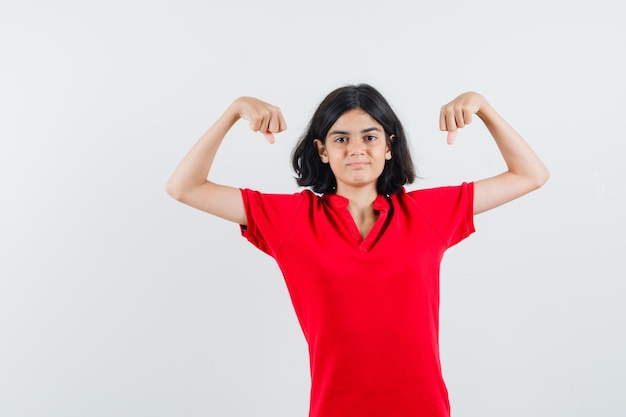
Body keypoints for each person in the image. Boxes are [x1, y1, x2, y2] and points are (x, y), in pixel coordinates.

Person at [165, 84, 549, 417]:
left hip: (423, 408)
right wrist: (234, 110)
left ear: (388, 147)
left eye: (369, 137)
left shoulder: (426, 213)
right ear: (322, 150)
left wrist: (481, 106)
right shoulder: (293, 220)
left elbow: (531, 175)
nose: (356, 149)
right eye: (341, 138)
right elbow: (185, 187)